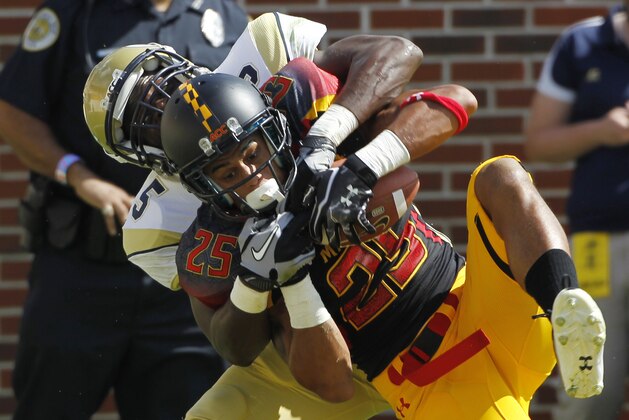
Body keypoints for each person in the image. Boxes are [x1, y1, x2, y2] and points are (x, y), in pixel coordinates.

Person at [159, 60, 607, 419]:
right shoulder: (234, 251)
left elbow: (455, 99)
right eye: (227, 172)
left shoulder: (322, 141)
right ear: (204, 187)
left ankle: (563, 299)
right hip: (431, 377)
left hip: (484, 299)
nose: (250, 174)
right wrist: (288, 279)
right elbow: (331, 386)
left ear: (273, 133)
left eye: (253, 154)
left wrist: (360, 166)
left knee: (500, 174)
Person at [82, 19, 423, 419]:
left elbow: (399, 53)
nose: (174, 109)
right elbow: (233, 344)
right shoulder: (154, 223)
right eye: (150, 122)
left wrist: (329, 136)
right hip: (307, 342)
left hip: (400, 271)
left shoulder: (263, 51)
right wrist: (254, 279)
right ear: (137, 156)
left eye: (166, 87)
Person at [0, 0, 249, 418]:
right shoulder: (74, 13)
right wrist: (78, 175)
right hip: (82, 272)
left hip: (182, 276)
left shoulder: (225, 15)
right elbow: (13, 109)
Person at [524, 3, 629, 419]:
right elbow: (540, 143)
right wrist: (603, 130)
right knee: (590, 389)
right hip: (599, 239)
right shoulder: (581, 42)